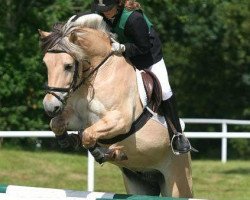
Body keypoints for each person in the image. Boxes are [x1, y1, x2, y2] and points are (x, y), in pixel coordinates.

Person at [91, 0, 195, 154]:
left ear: (118, 4)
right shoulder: (102, 14)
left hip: (149, 58)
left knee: (165, 91)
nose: (104, 12)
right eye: (101, 9)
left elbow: (143, 47)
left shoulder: (134, 19)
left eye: (108, 8)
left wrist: (123, 47)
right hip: (125, 57)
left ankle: (177, 136)